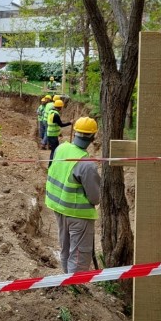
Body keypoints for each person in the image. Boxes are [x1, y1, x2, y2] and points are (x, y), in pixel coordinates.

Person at [45, 117, 101, 273]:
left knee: (66, 247)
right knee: (79, 254)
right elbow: (95, 198)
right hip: (78, 214)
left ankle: (67, 281)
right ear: (93, 137)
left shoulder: (61, 148)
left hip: (59, 208)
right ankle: (74, 286)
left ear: (75, 132)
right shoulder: (87, 165)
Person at [46, 99, 72, 164]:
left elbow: (54, 124)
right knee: (54, 151)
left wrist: (59, 133)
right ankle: (51, 165)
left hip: (51, 133)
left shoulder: (51, 112)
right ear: (60, 107)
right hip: (53, 135)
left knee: (55, 150)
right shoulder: (56, 115)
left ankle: (53, 163)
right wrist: (70, 123)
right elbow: (61, 125)